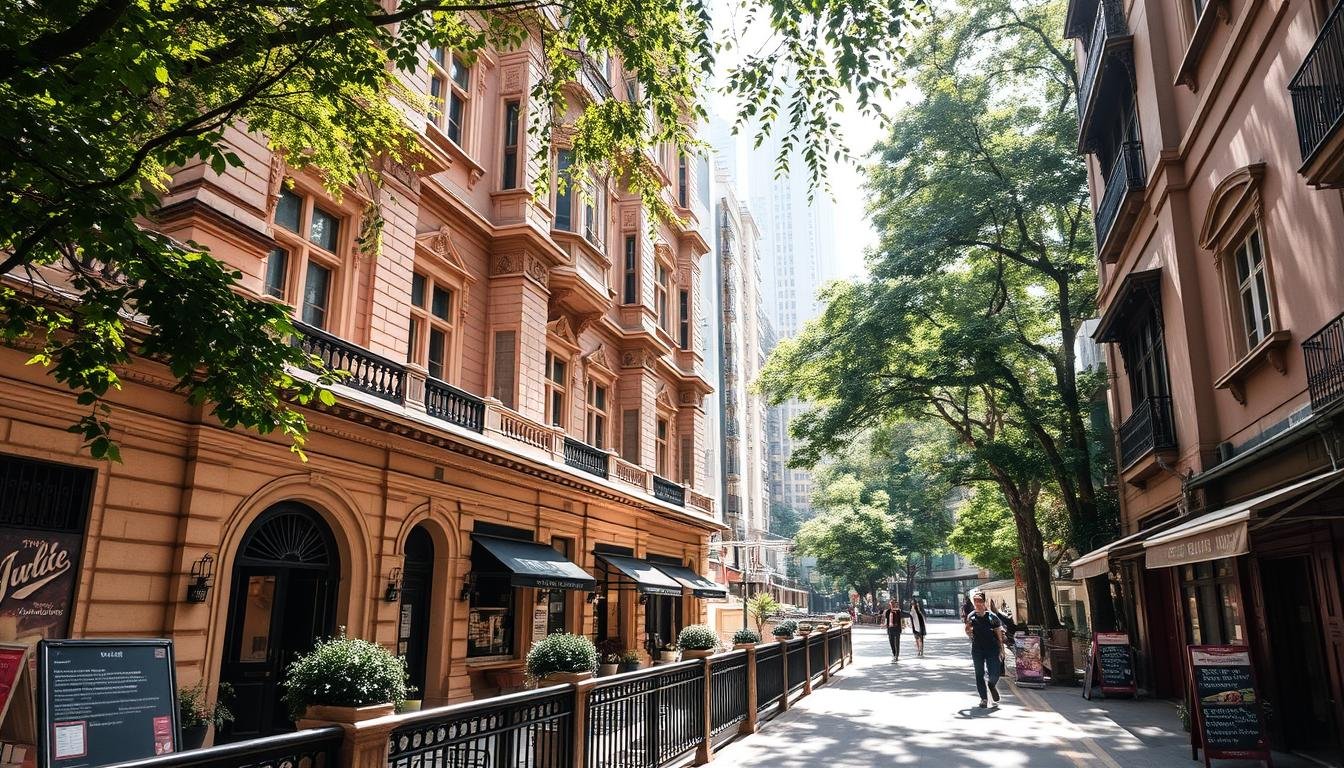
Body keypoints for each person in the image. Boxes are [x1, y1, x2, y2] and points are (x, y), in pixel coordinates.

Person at [965, 592, 1006, 708]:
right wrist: (968, 629)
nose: (977, 603)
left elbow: (999, 634)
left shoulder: (992, 617)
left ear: (984, 602)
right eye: (975, 601)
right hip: (977, 649)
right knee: (979, 673)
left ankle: (991, 685)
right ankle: (983, 698)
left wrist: (1001, 649)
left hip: (992, 648)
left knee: (995, 673)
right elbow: (968, 632)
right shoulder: (971, 616)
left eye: (979, 601)